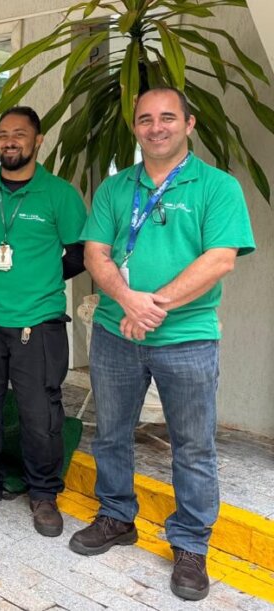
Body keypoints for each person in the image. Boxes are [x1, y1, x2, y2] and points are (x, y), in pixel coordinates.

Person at [72, 87, 254, 601]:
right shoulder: (114, 189)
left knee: (193, 446)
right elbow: (94, 253)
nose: (157, 127)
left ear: (189, 124)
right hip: (114, 334)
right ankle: (115, 516)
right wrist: (127, 302)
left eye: (168, 117)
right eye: (146, 119)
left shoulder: (217, 187)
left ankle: (192, 544)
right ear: (135, 128)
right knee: (111, 433)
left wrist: (151, 308)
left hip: (188, 339)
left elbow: (220, 259)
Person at [0, 106, 87, 537]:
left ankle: (43, 493)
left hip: (38, 322)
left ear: (38, 140)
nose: (10, 141)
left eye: (19, 134)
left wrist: (39, 279)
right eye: (4, 134)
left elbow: (79, 254)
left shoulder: (60, 194)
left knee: (40, 412)